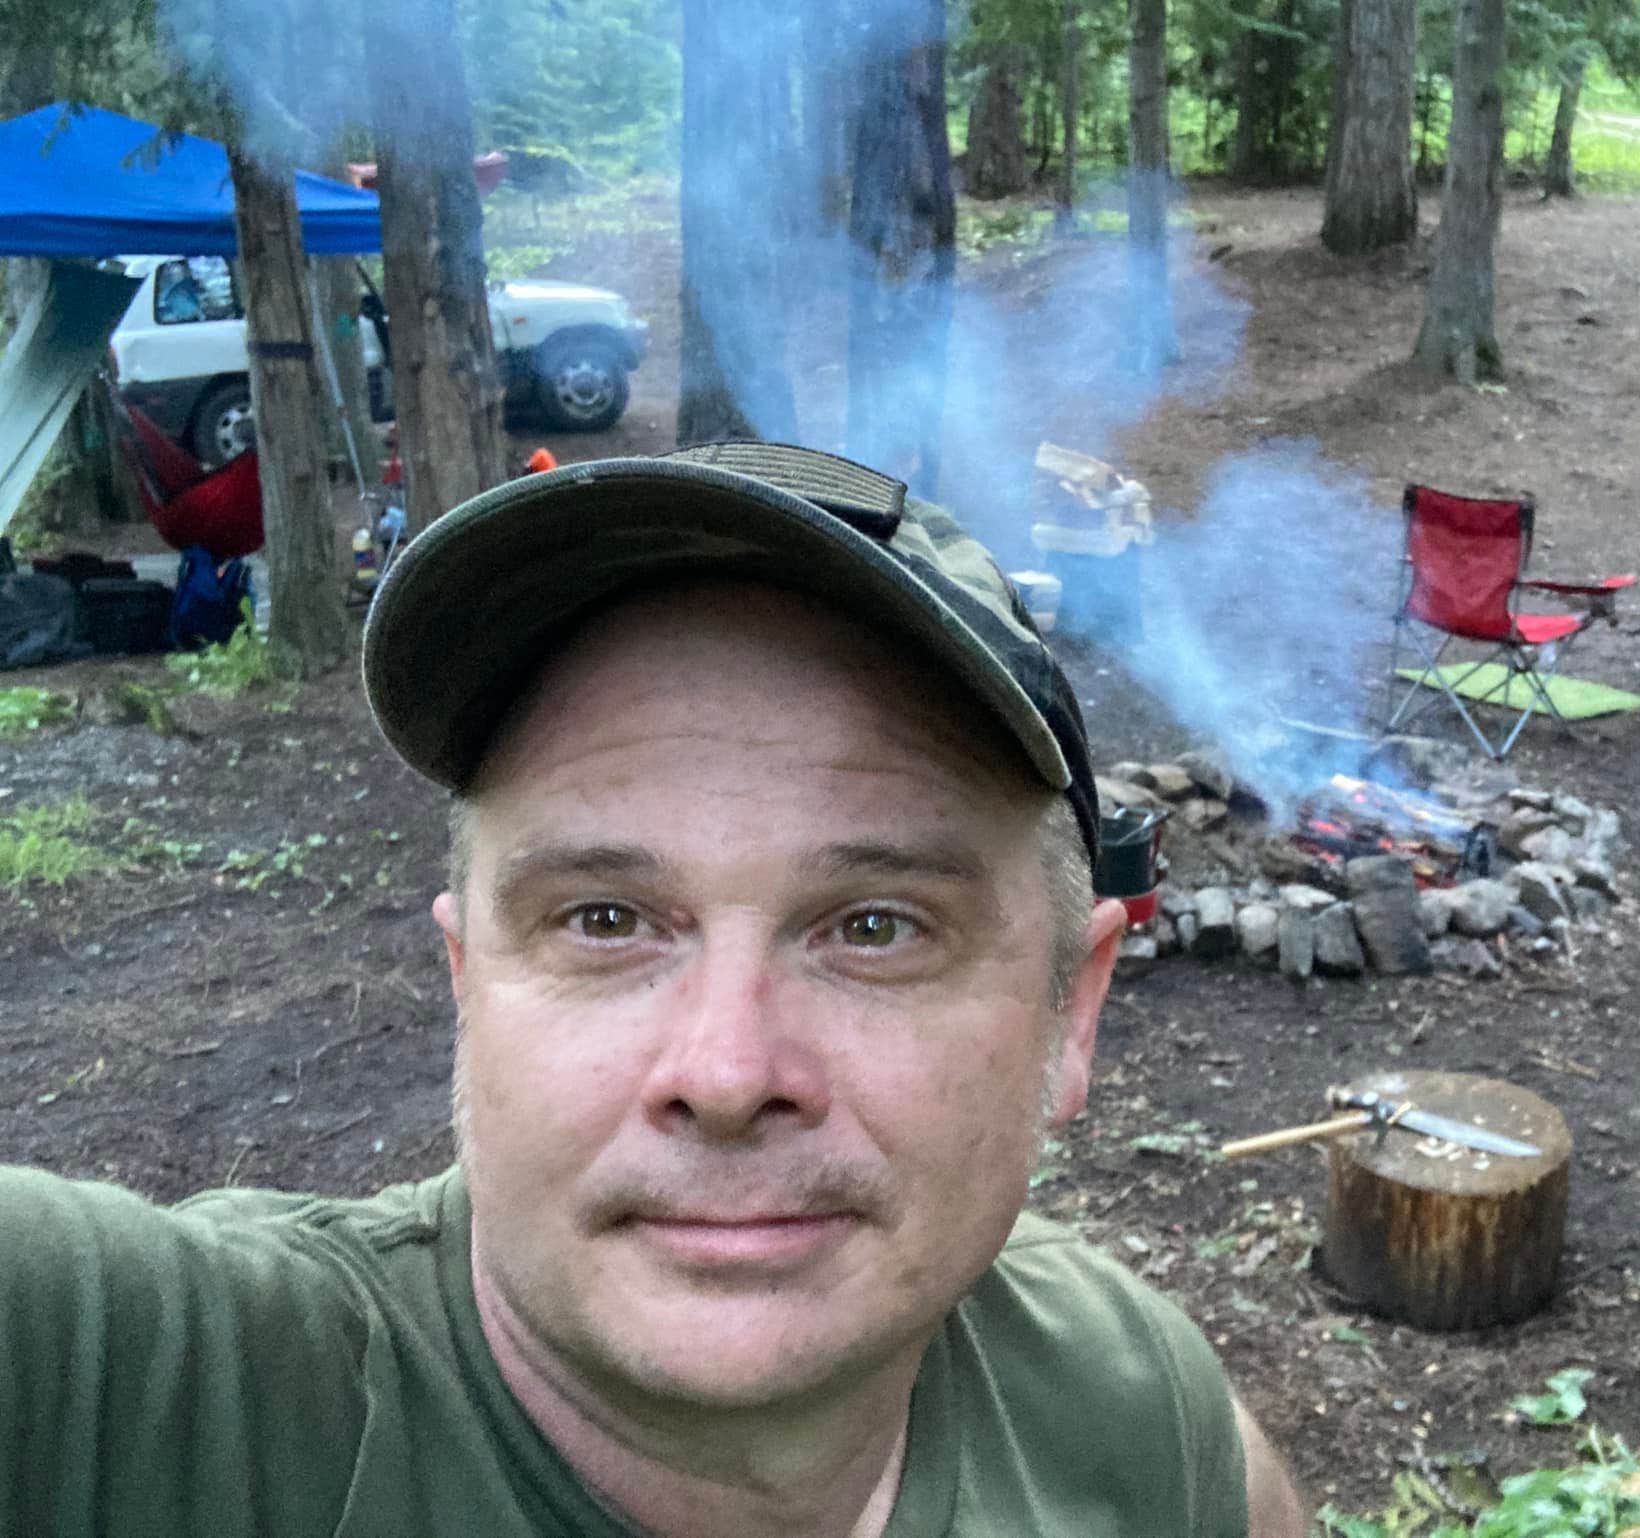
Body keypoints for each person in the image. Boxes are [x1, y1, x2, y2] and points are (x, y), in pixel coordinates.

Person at [1, 442, 1303, 1537]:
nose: (727, 1076)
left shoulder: (1136, 1413)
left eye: (875, 926)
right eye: (605, 920)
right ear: (469, 987)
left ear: (1070, 1014)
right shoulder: (141, 1404)